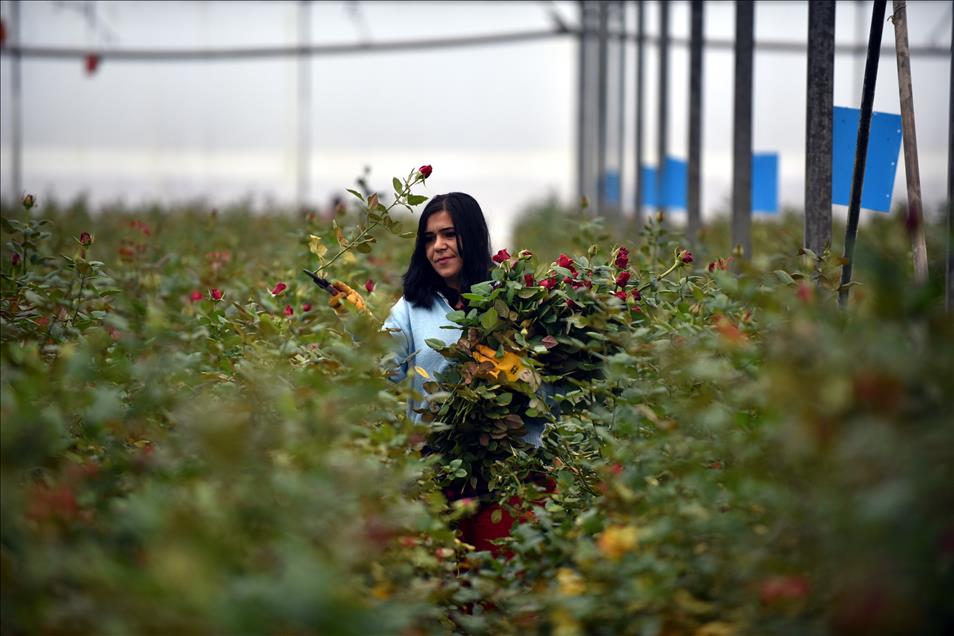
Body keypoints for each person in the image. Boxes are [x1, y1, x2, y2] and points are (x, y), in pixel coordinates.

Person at [339, 191, 549, 555]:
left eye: (449, 234)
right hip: (435, 471)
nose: (439, 246)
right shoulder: (411, 308)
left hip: (505, 473)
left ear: (472, 235)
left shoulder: (510, 300)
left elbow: (546, 390)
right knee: (441, 588)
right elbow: (384, 375)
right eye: (430, 238)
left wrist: (520, 376)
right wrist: (359, 327)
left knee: (496, 583)